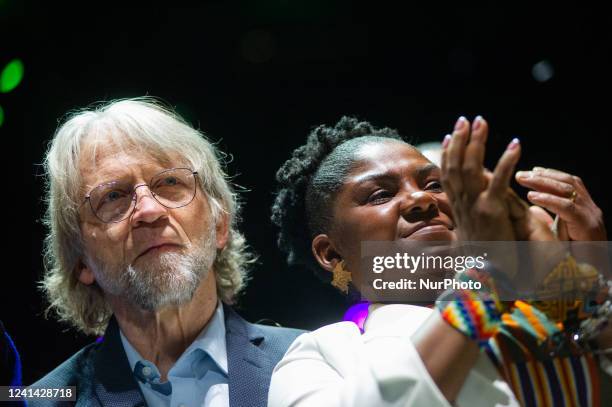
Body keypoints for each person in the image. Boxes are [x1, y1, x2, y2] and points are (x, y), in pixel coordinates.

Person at [268, 116, 611, 406]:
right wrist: (488, 278)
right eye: (381, 194)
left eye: (435, 184)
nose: (421, 198)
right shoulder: (319, 355)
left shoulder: (548, 312)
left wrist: (587, 275)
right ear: (331, 253)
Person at [32, 98, 305, 407]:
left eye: (170, 182)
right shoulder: (38, 401)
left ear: (220, 224)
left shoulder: (310, 364)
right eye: (112, 196)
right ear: (80, 259)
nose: (148, 210)